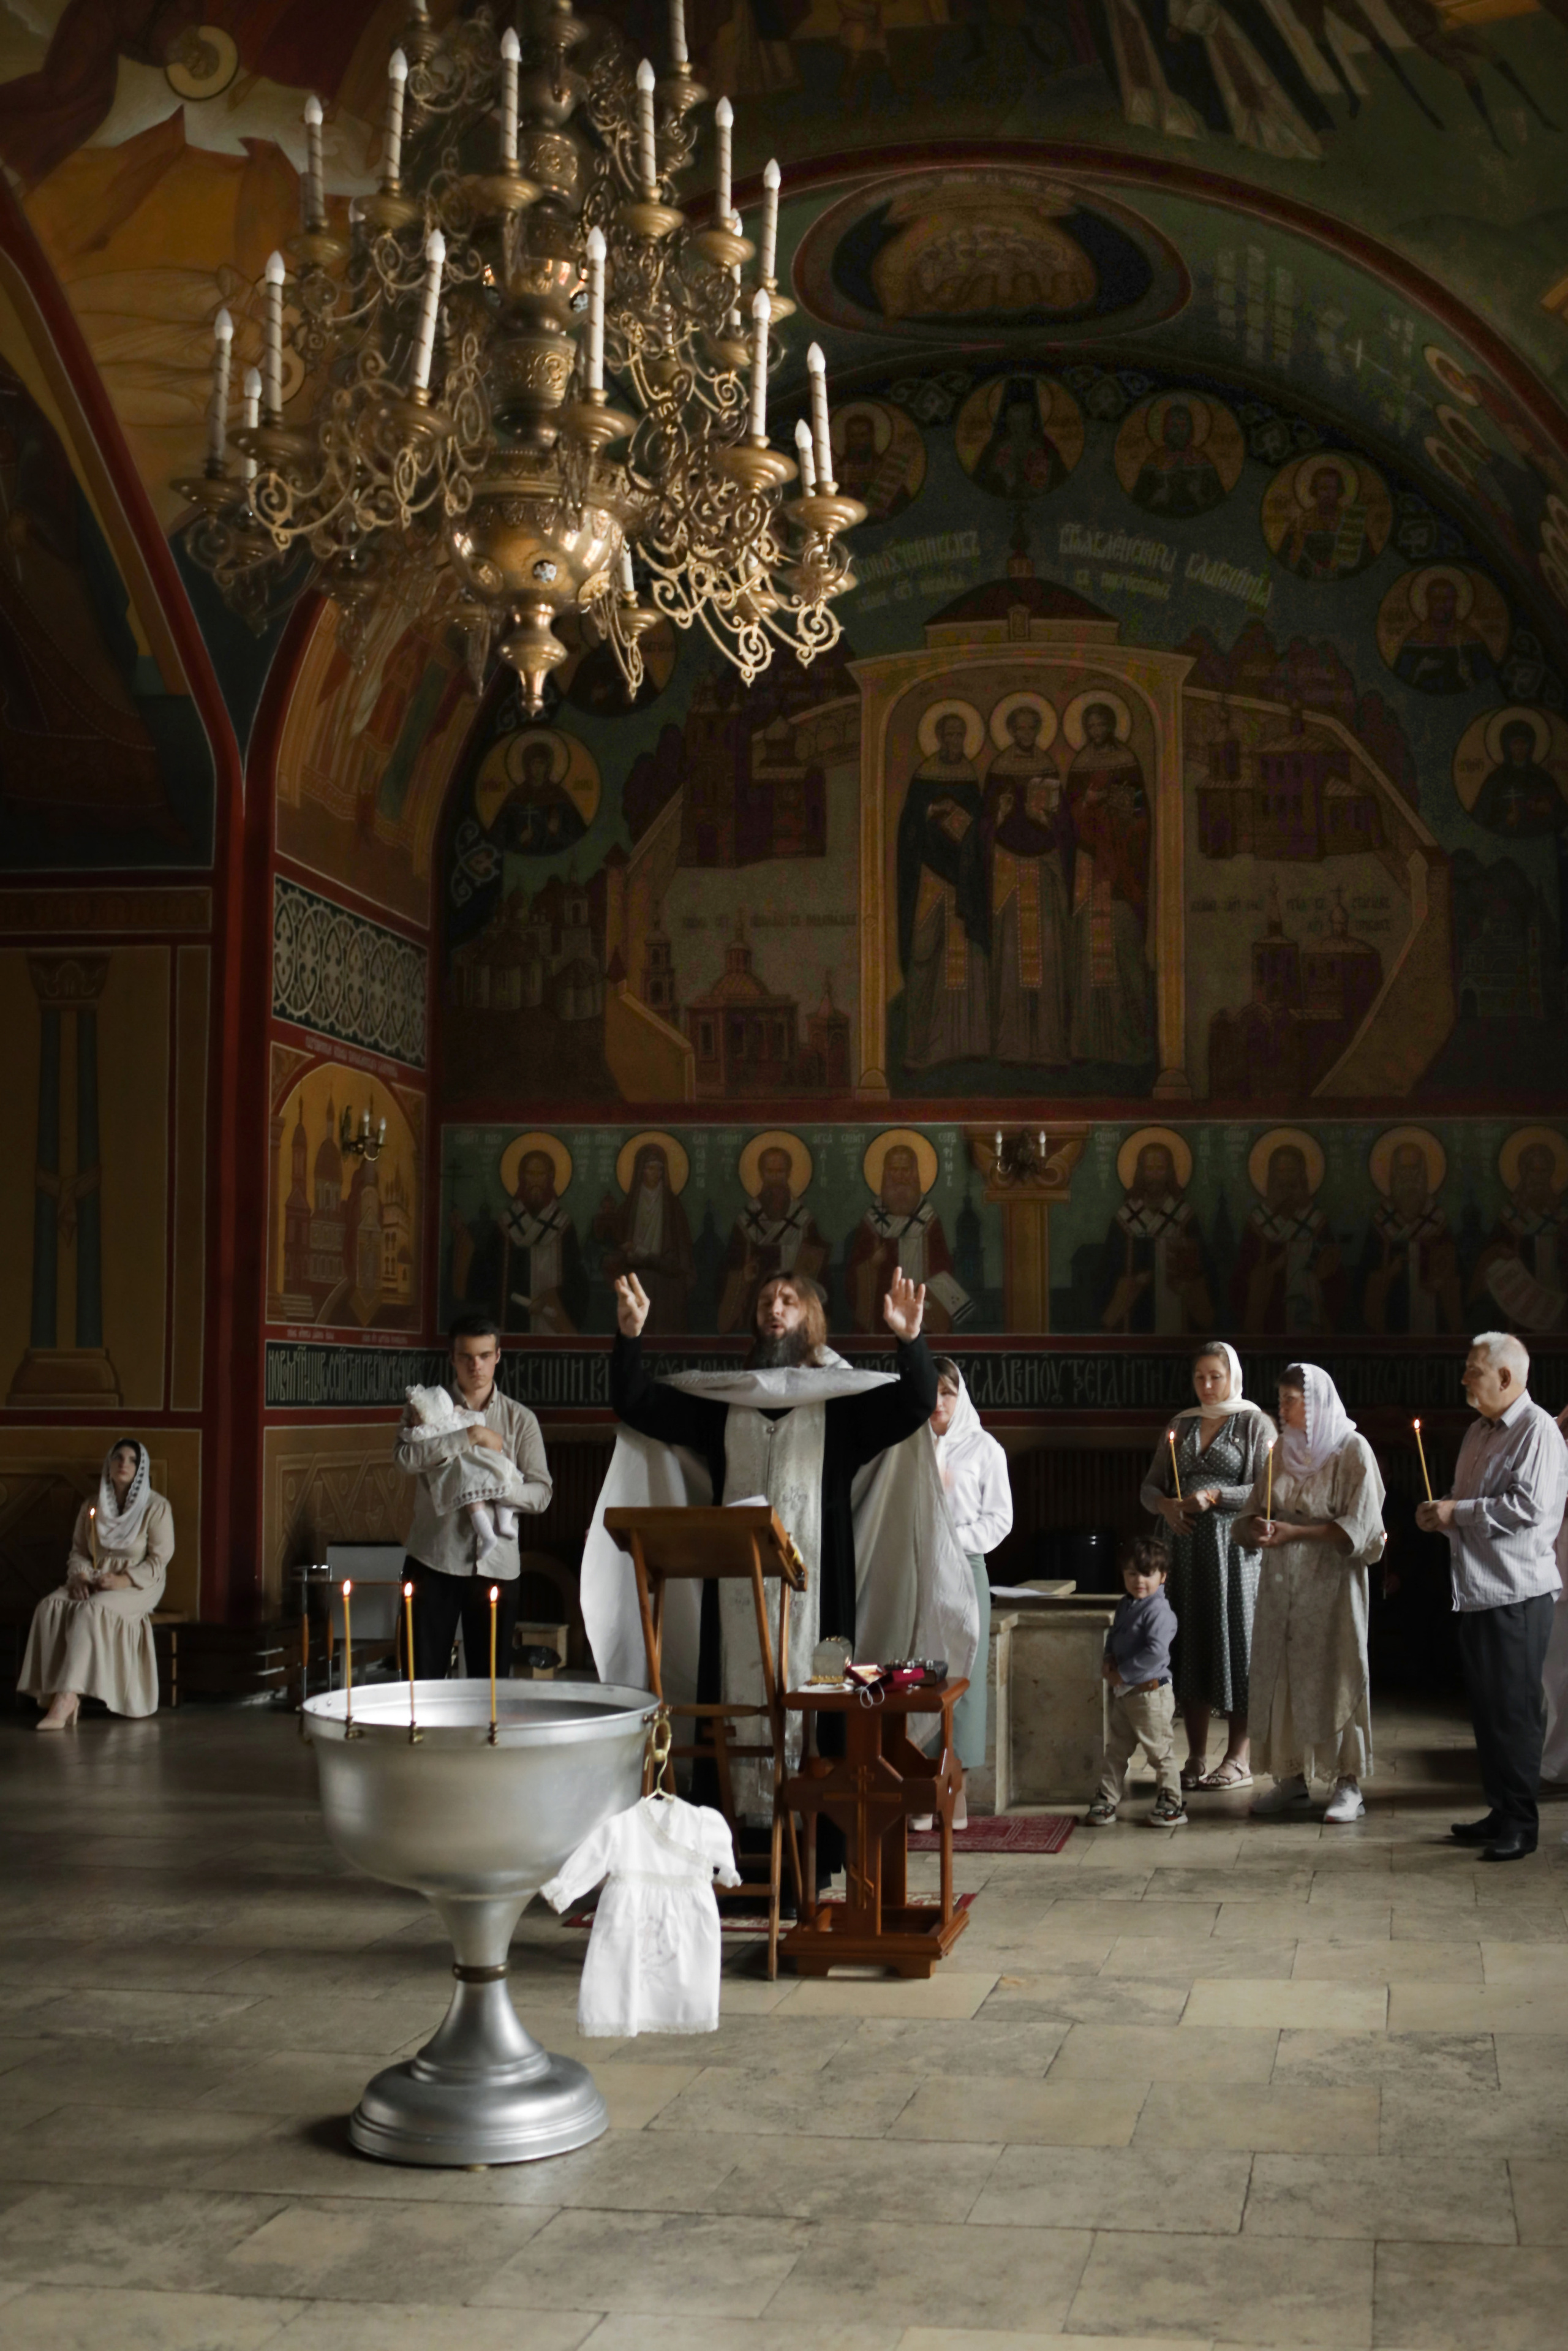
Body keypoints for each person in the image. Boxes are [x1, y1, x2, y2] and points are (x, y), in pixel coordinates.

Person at [581, 1269, 976, 1825]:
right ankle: (733, 1842)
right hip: (733, 1599)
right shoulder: (724, 1405)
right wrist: (630, 1335)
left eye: (789, 1300)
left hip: (820, 1601)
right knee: (733, 1710)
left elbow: (913, 1405)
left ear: (812, 1319)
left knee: (820, 1715)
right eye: (766, 1299)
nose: (774, 1307)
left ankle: (814, 1843)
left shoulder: (840, 1408)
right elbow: (637, 1403)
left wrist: (910, 1339)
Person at [1416, 1333, 1568, 1862]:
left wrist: (1456, 1513)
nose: (1464, 1378)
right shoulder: (1479, 1431)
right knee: (1488, 1711)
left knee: (1516, 1713)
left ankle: (1522, 1825)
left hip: (1518, 1593)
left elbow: (1527, 1508)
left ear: (1505, 1378)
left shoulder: (1538, 1430)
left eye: (1473, 1370)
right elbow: (1469, 1500)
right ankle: (1501, 1810)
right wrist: (1441, 1511)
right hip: (1479, 1590)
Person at [1240, 1365, 1387, 1824]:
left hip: (1332, 1585)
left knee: (1336, 1673)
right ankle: (1291, 1779)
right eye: (1280, 1399)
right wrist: (1256, 1527)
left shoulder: (1352, 1449)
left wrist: (1296, 1533)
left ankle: (1347, 1783)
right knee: (1283, 1675)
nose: (1282, 1410)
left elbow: (1361, 1527)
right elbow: (1251, 1513)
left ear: (1317, 1404)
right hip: (1282, 1585)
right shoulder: (1281, 1452)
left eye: (1291, 1400)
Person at [1140, 1342, 1276, 1792]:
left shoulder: (1254, 1423)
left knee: (1236, 1643)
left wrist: (1216, 1496)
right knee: (1191, 1643)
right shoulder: (1181, 1423)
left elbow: (1267, 1488)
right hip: (1182, 1550)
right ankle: (1196, 1755)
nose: (1207, 1385)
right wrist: (1166, 1505)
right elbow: (1150, 1486)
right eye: (1199, 1377)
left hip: (1232, 1552)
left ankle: (1238, 1758)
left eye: (1215, 1376)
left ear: (1233, 1377)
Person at [394, 1314, 552, 1680]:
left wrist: (494, 1488)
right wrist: (469, 1437)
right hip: (435, 1557)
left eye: (484, 1356)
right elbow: (404, 1459)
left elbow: (542, 1493)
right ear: (452, 1357)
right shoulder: (426, 1407)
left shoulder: (520, 1419)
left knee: (491, 1684)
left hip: (498, 1567)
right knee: (421, 1680)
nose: (475, 1366)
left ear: (498, 1356)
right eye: (466, 1356)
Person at [20, 1438, 172, 1728]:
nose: (124, 1464)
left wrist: (124, 1579)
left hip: (139, 1583)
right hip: (95, 1577)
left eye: (132, 1460)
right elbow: (80, 1551)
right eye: (118, 1458)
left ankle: (68, 1698)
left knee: (93, 1610)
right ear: (109, 1464)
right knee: (50, 1605)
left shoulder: (156, 1507)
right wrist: (80, 1577)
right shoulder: (92, 1505)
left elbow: (159, 1560)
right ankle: (52, 1693)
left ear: (141, 1469)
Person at [930, 1359, 1013, 1827]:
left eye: (947, 1392)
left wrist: (951, 1538)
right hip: (919, 1571)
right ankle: (921, 1791)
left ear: (960, 1397)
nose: (937, 1402)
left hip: (964, 1568)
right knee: (919, 1677)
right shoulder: (908, 1446)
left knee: (962, 1679)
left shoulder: (984, 1448)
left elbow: (999, 1519)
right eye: (930, 1392)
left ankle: (954, 1794)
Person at [1087, 1536, 1185, 1829]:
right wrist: (1109, 1657)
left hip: (1150, 1694)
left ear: (1163, 1576)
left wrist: (1124, 1672)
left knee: (1159, 1751)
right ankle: (1107, 1799)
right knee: (1116, 1750)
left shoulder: (1159, 1612)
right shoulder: (1126, 1605)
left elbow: (1156, 1652)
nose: (1139, 1581)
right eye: (1132, 1574)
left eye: (1147, 1574)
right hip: (1126, 1695)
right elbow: (1115, 1635)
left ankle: (1172, 1802)